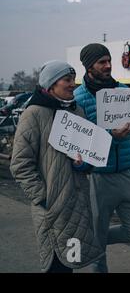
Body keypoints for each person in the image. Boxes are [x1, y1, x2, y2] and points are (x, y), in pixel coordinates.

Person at [10, 60, 104, 273]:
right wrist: (44, 198)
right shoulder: (33, 114)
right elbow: (20, 164)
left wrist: (82, 165)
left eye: (73, 79)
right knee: (55, 265)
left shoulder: (76, 111)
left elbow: (86, 156)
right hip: (51, 208)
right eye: (67, 79)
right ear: (51, 84)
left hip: (77, 205)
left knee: (69, 262)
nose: (73, 84)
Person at [74, 43, 130, 273]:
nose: (108, 65)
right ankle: (94, 245)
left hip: (128, 171)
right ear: (89, 67)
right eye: (101, 62)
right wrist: (111, 137)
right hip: (98, 176)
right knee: (97, 247)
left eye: (109, 60)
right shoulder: (77, 99)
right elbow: (82, 141)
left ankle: (93, 241)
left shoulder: (125, 91)